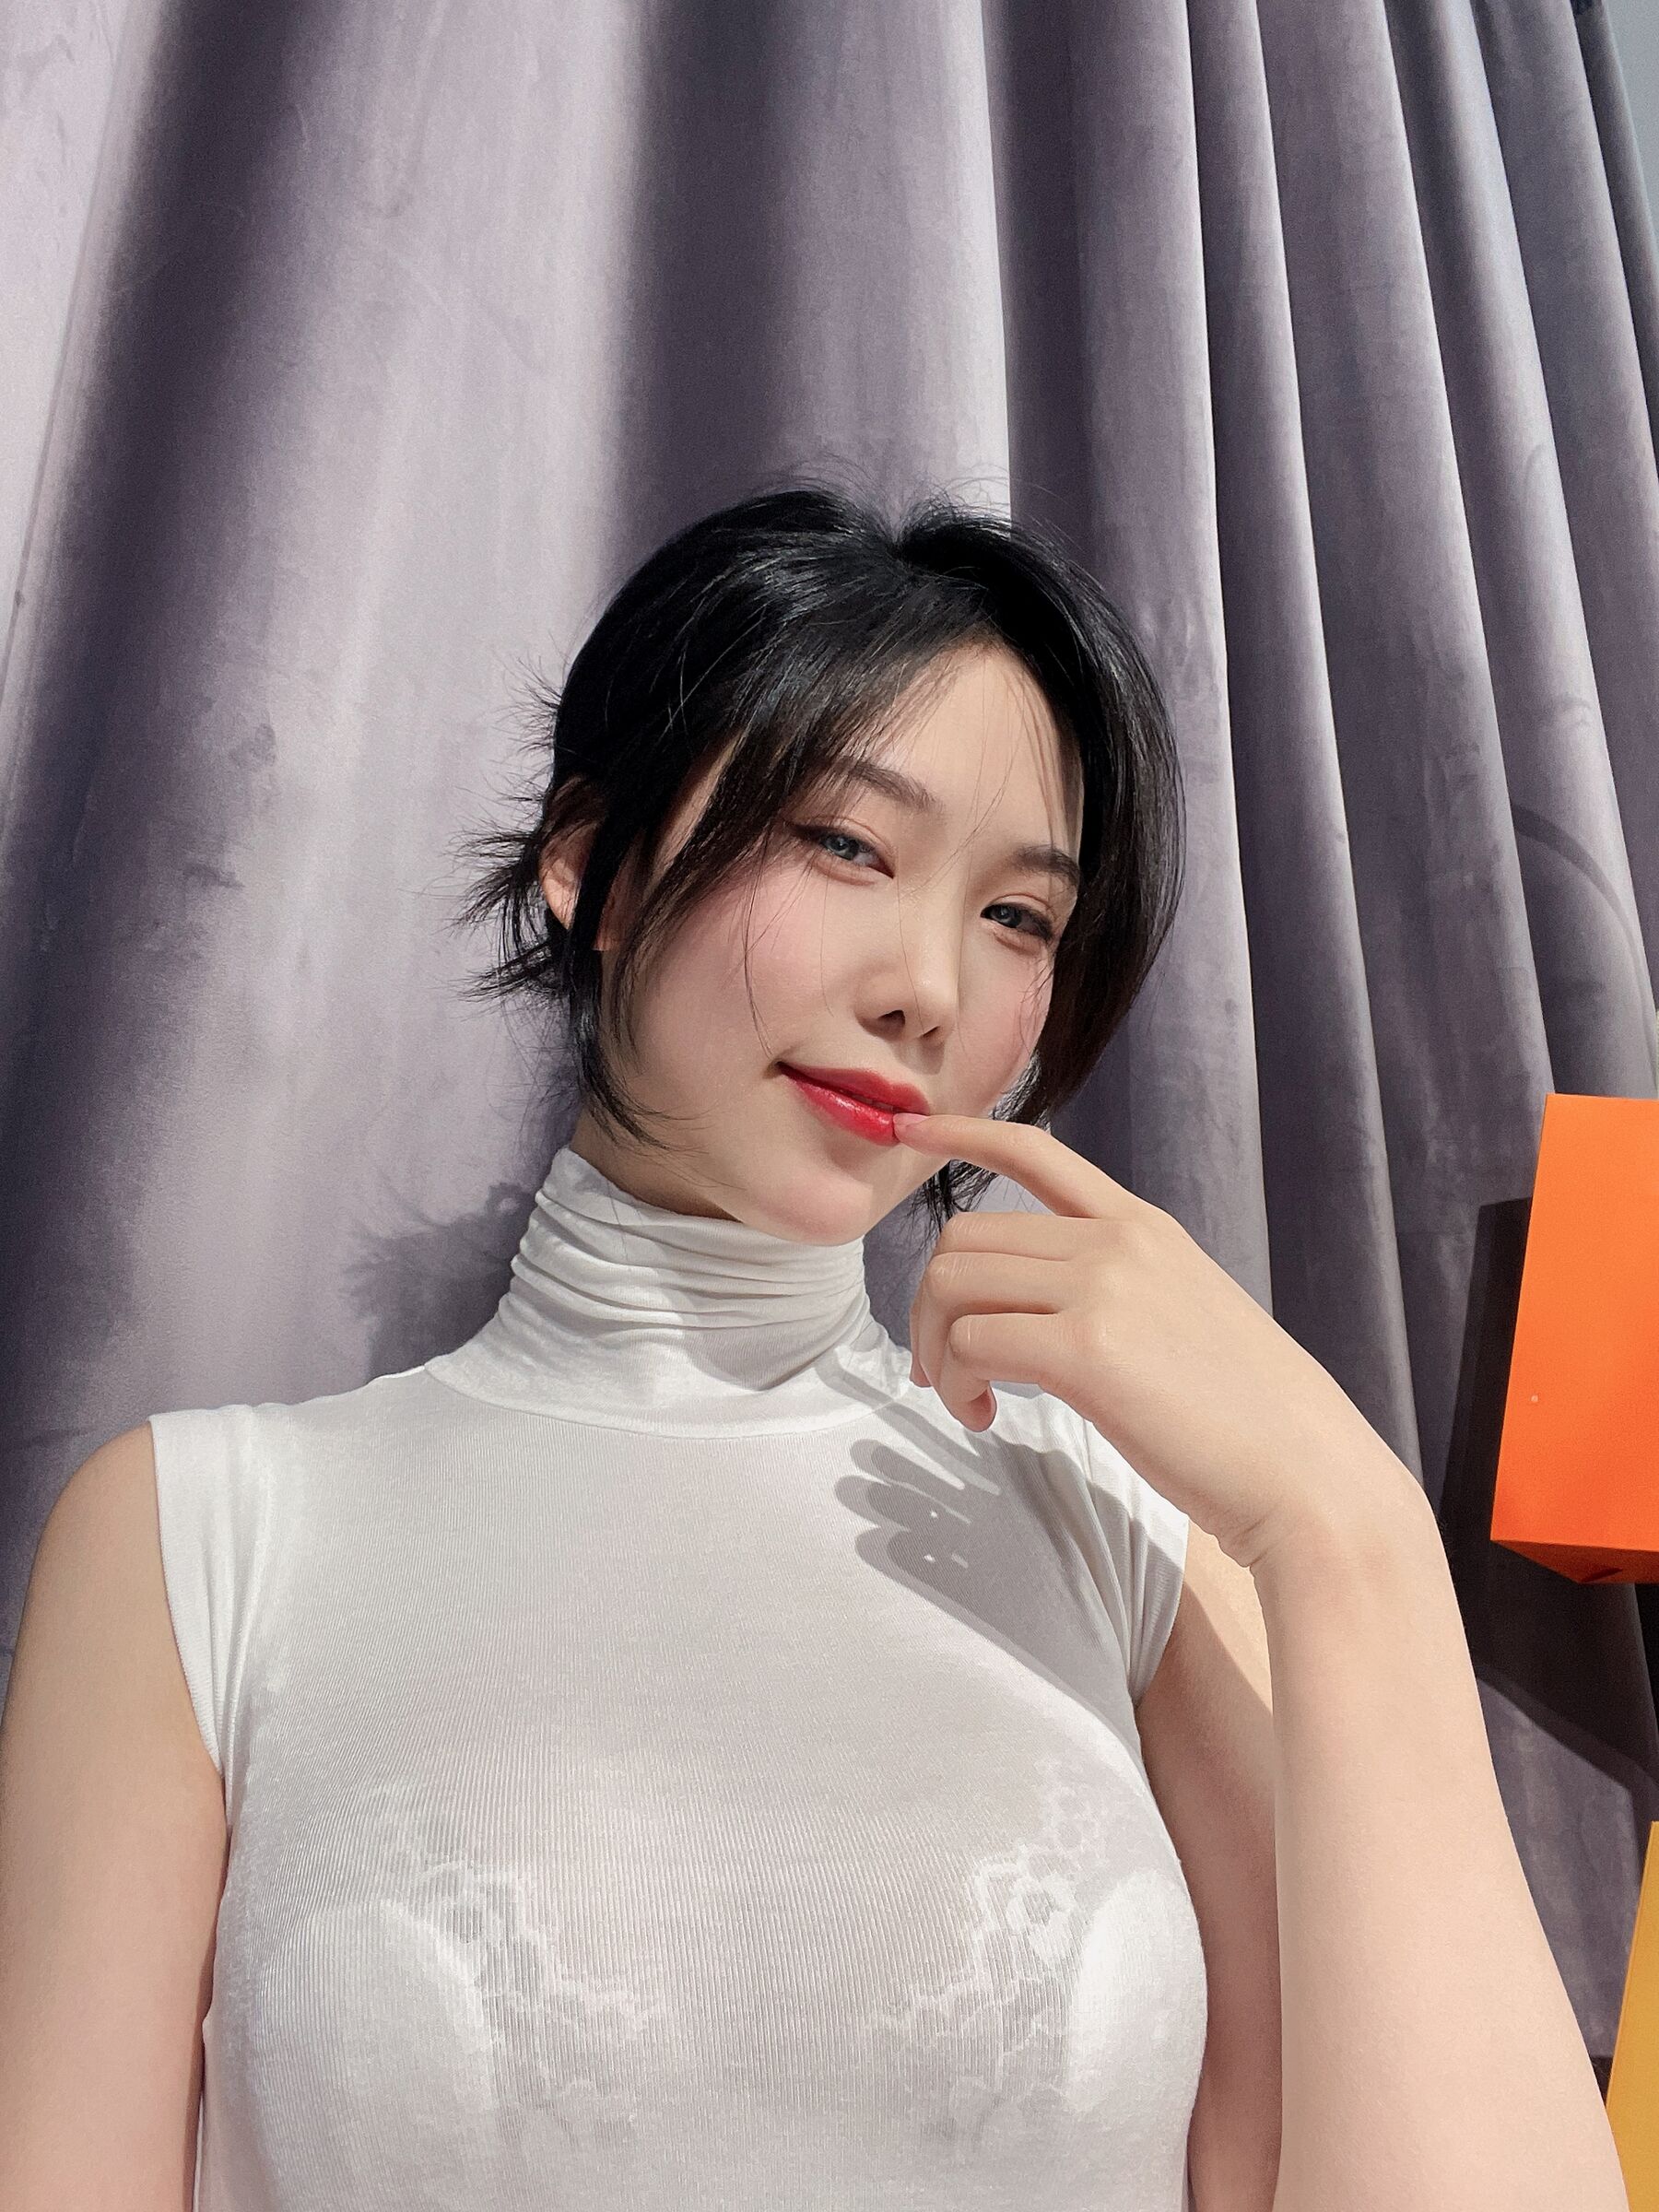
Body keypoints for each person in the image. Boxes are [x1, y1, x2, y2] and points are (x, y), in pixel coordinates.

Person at [0, 484, 1622, 2212]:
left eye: (1019, 919)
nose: (930, 985)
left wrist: (1348, 1527)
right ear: (589, 863)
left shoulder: (1132, 1530)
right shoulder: (201, 1539)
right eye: (848, 844)